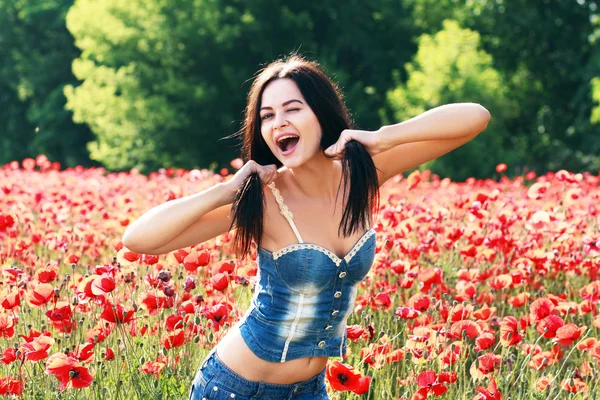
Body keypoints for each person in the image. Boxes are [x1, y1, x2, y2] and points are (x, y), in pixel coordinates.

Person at [122, 53, 491, 399]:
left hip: (310, 390)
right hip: (235, 388)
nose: (278, 122)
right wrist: (224, 191)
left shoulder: (361, 176)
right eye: (267, 115)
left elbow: (475, 118)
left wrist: (381, 138)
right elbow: (139, 240)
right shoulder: (264, 200)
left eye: (292, 109)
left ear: (321, 115)